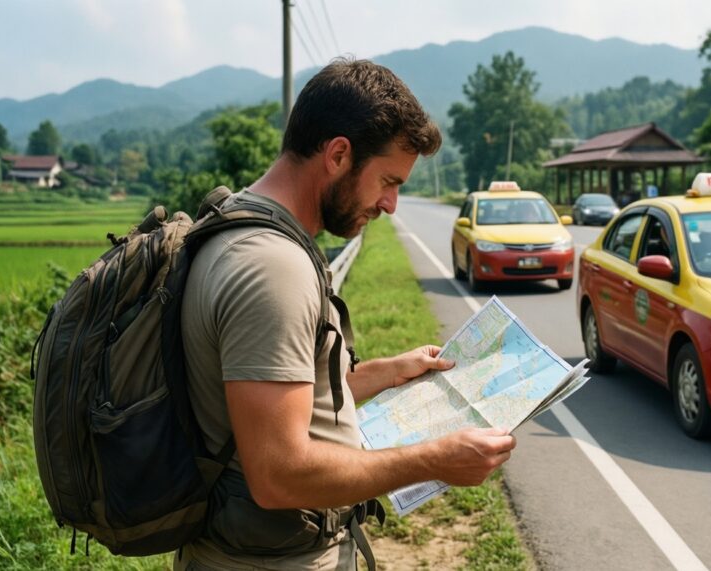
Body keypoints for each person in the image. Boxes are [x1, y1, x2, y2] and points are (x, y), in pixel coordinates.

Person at [176, 58, 517, 570]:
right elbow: (278, 474)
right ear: (338, 155)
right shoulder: (272, 269)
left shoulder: (240, 225)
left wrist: (384, 373)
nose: (392, 204)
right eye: (388, 181)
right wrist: (434, 460)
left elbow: (273, 402)